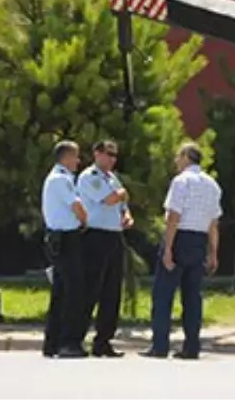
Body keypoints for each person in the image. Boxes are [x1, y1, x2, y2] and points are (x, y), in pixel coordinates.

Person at [141, 143, 221, 360]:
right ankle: (192, 346)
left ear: (186, 156)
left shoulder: (181, 182)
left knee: (163, 295)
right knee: (193, 297)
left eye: (179, 156)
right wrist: (213, 253)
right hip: (199, 240)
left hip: (179, 238)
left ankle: (159, 346)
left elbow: (173, 217)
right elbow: (213, 223)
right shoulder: (213, 185)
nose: (176, 160)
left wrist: (168, 248)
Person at [76, 139, 134, 358]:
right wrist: (121, 195)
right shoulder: (90, 177)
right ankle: (77, 337)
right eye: (107, 154)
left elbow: (122, 206)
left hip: (114, 236)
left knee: (112, 291)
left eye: (114, 155)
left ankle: (103, 341)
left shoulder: (113, 178)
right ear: (96, 154)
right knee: (90, 289)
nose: (111, 159)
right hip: (95, 236)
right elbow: (111, 199)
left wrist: (127, 216)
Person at [41, 140, 88, 358]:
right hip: (65, 239)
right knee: (74, 292)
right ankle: (69, 342)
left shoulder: (59, 178)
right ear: (66, 158)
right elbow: (77, 206)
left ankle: (52, 342)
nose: (78, 161)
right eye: (75, 156)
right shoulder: (61, 179)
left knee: (60, 292)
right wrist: (84, 221)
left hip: (59, 239)